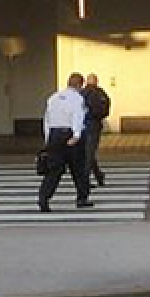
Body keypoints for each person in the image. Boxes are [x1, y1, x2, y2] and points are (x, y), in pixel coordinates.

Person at [38, 72, 93, 212]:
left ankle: (44, 197)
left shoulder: (53, 98)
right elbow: (78, 116)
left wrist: (48, 138)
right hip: (69, 134)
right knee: (78, 169)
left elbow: (47, 119)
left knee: (54, 170)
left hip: (54, 135)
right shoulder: (77, 99)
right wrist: (76, 134)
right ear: (80, 85)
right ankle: (82, 198)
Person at [81, 73, 111, 187]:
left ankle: (95, 176)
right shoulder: (100, 93)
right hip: (94, 125)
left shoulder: (81, 93)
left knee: (87, 152)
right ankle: (88, 178)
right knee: (89, 152)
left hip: (81, 126)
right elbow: (104, 110)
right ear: (96, 81)